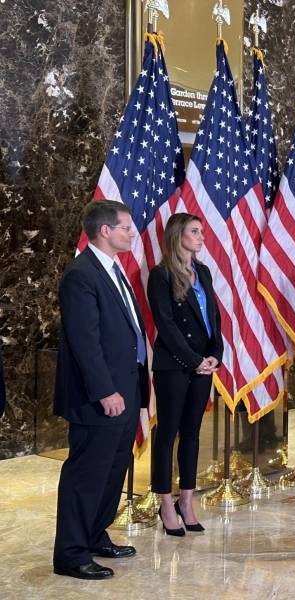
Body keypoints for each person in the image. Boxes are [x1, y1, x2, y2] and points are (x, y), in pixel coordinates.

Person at [53, 200, 149, 580]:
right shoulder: (82, 274)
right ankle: (71, 553)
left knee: (113, 468)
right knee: (87, 473)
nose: (132, 233)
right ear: (105, 230)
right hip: (101, 396)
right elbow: (85, 341)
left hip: (126, 390)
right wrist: (105, 391)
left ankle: (95, 534)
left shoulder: (112, 270)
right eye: (125, 227)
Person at [147, 213, 222, 536]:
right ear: (178, 236)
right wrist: (193, 360)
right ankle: (165, 503)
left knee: (192, 433)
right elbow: (165, 324)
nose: (201, 236)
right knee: (168, 433)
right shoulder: (160, 275)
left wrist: (215, 355)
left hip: (203, 365)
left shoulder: (202, 271)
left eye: (202, 231)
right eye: (195, 231)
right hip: (173, 365)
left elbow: (214, 318)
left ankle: (187, 501)